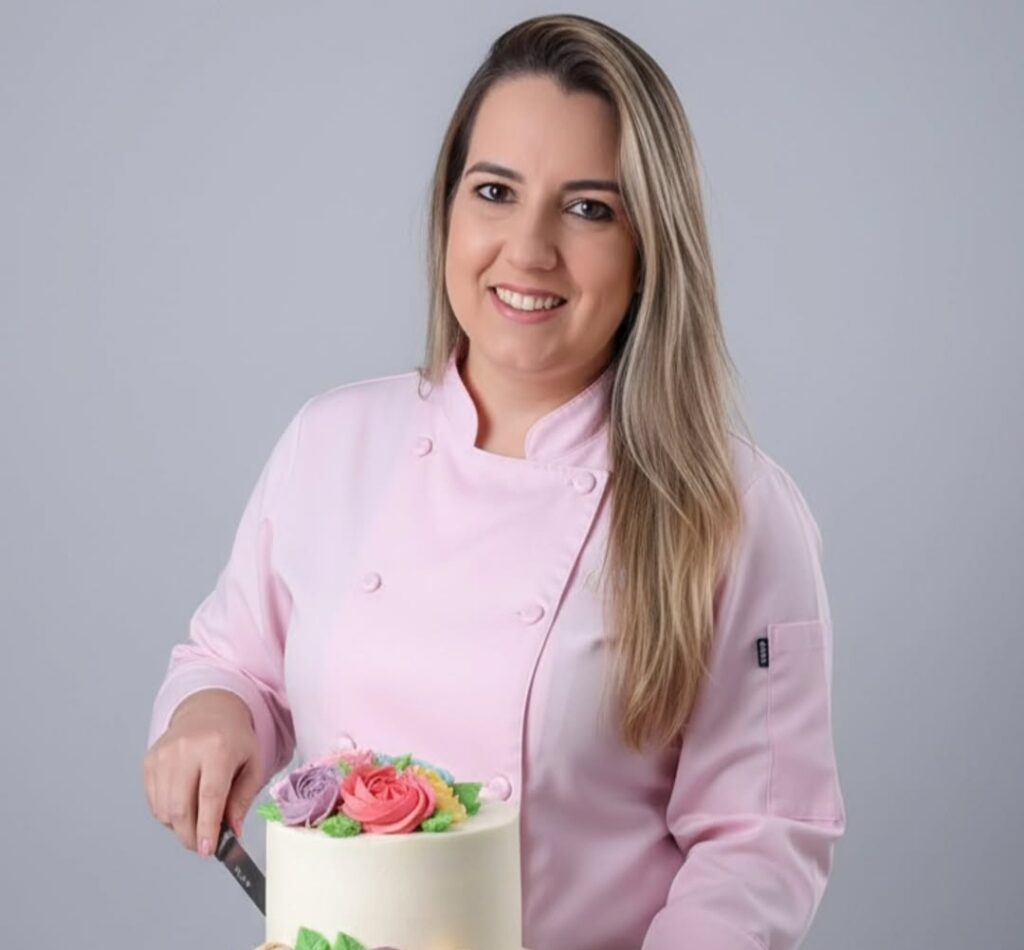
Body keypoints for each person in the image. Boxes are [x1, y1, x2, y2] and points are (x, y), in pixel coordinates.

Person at [143, 13, 846, 950]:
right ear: (449, 211)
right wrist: (210, 714)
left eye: (588, 209)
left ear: (648, 249)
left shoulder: (737, 512)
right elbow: (235, 662)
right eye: (495, 192)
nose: (529, 249)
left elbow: (759, 840)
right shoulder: (331, 442)